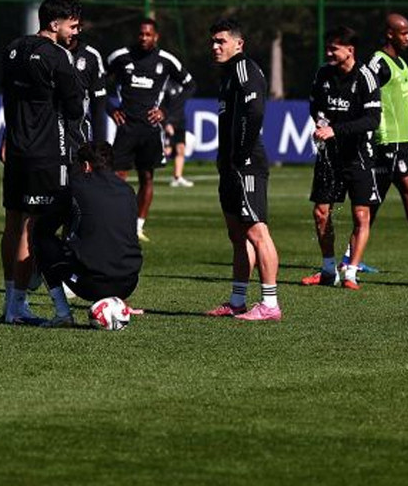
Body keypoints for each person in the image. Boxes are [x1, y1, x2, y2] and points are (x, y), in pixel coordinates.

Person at [0, 0, 84, 324]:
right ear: (54, 24)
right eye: (72, 25)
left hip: (17, 148)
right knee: (35, 230)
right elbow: (75, 108)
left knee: (13, 223)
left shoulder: (12, 48)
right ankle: (19, 305)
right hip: (45, 151)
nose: (76, 31)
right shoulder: (57, 55)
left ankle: (11, 301)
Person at [206, 18, 281, 322]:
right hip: (230, 164)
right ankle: (238, 300)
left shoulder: (243, 68)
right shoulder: (226, 76)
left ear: (239, 43)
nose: (215, 47)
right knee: (237, 234)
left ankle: (270, 303)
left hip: (245, 162)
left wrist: (241, 153)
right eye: (212, 41)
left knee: (256, 230)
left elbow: (256, 111)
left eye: (221, 41)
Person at [302, 26, 381, 289]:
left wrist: (335, 129)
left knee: (361, 216)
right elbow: (315, 104)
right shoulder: (323, 73)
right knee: (321, 213)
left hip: (358, 156)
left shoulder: (366, 77)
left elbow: (372, 120)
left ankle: (351, 272)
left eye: (334, 48)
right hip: (330, 157)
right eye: (328, 47)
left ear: (350, 50)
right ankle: (327, 269)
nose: (329, 52)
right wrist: (321, 121)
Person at [34, 142, 144, 327]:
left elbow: (44, 228)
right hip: (129, 282)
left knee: (41, 239)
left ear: (86, 166)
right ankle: (115, 302)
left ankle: (62, 314)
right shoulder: (128, 190)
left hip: (90, 283)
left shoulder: (75, 187)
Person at [105, 18, 195, 241]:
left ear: (156, 37)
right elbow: (96, 81)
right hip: (125, 127)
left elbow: (189, 84)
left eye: (148, 35)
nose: (144, 38)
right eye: (141, 34)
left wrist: (166, 111)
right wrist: (110, 108)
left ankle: (137, 226)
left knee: (147, 177)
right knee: (117, 177)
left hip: (151, 129)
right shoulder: (120, 57)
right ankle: (116, 223)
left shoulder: (166, 60)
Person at [365, 13, 408, 257]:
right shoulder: (378, 63)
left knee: (371, 205)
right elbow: (362, 92)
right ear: (390, 34)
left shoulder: (401, 64)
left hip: (400, 144)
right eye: (404, 33)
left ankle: (350, 259)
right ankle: (348, 261)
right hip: (386, 142)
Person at [67, 30, 107, 146]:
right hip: (49, 133)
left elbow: (98, 106)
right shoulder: (47, 52)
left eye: (74, 26)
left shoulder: (91, 56)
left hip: (78, 133)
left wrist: (99, 145)